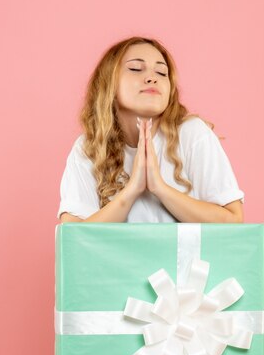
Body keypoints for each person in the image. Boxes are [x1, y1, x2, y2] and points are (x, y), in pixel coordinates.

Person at [57, 36, 244, 223]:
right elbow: (73, 238)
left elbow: (234, 220)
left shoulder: (192, 134)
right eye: (135, 69)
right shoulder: (88, 147)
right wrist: (132, 190)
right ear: (109, 84)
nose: (152, 78)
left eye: (162, 73)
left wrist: (159, 188)